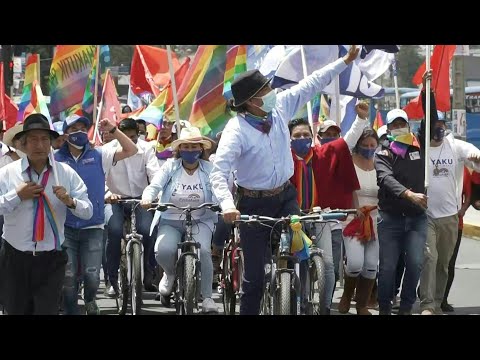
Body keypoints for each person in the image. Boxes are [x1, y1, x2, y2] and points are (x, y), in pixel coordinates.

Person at [210, 45, 359, 315]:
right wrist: (227, 205)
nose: (271, 93)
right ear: (251, 102)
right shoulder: (235, 130)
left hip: (286, 197)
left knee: (299, 247)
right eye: (265, 91)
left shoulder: (280, 107)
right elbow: (219, 172)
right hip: (252, 204)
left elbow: (312, 82)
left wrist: (345, 61)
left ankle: (299, 291)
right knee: (254, 279)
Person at [0, 113, 93, 315]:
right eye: (33, 139)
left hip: (51, 259)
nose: (39, 145)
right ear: (23, 144)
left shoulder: (65, 174)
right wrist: (16, 195)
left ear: (52, 143)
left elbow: (88, 211)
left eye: (44, 139)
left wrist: (70, 201)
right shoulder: (8, 173)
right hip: (15, 257)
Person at [55, 114, 137, 315]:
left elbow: (131, 150)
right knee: (69, 275)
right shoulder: (55, 158)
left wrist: (113, 130)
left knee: (92, 274)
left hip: (93, 225)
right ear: (65, 134)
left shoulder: (100, 155)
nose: (79, 132)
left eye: (83, 127)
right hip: (64, 226)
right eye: (73, 129)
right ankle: (71, 308)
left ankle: (90, 299)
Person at [141, 127, 219, 313]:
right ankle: (169, 274)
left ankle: (207, 298)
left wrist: (223, 205)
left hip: (202, 219)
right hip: (171, 218)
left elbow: (219, 188)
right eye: (186, 146)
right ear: (179, 149)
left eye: (194, 147)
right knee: (163, 250)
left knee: (205, 252)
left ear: (201, 148)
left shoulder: (210, 169)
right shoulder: (170, 166)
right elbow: (155, 185)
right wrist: (148, 197)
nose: (190, 150)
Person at [419, 99, 480, 315]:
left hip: (450, 217)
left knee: (443, 264)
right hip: (425, 216)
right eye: (435, 124)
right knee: (429, 258)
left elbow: (475, 158)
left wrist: (476, 158)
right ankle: (427, 304)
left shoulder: (455, 146)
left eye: (442, 125)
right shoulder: (420, 148)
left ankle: (435, 302)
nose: (439, 128)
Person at [104, 118, 160, 296]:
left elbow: (155, 175)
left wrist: (153, 196)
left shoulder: (147, 148)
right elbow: (100, 176)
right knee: (113, 231)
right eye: (125, 137)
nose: (131, 141)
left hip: (141, 200)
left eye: (134, 137)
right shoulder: (107, 150)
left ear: (139, 134)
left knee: (148, 230)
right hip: (115, 201)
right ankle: (111, 279)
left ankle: (149, 273)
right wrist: (107, 194)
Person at [338, 128, 379, 315]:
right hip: (353, 219)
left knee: (371, 265)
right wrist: (355, 209)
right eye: (365, 145)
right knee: (355, 263)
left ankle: (361, 304)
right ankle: (347, 295)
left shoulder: (380, 163)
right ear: (358, 145)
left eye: (373, 145)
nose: (369, 148)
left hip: (375, 221)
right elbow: (347, 189)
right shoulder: (349, 163)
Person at [441, 167, 472, 312]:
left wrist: (463, 209)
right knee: (431, 259)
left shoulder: (462, 169)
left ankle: (443, 298)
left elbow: (468, 194)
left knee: (449, 262)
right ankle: (425, 291)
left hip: (455, 223)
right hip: (432, 221)